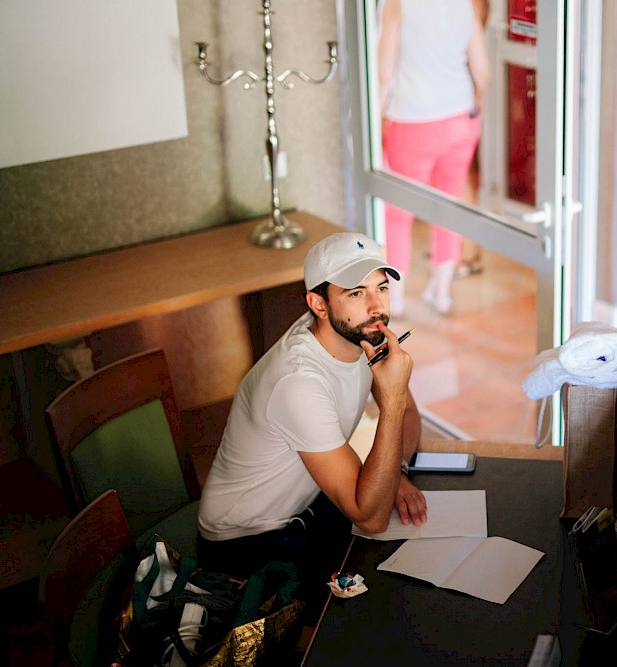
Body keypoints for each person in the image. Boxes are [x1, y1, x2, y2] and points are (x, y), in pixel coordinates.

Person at [197, 233, 428, 576]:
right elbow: (372, 517)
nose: (376, 307)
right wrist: (391, 397)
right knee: (383, 586)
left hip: (306, 508)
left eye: (381, 288)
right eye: (355, 293)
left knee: (408, 555)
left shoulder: (360, 333)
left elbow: (408, 414)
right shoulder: (299, 382)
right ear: (319, 305)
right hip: (245, 546)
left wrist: (396, 473)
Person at [377, 0, 490, 316]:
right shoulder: (465, 4)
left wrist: (374, 121)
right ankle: (441, 293)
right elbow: (482, 69)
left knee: (397, 211)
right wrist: (477, 103)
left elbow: (384, 72)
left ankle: (395, 298)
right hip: (460, 117)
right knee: (448, 204)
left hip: (411, 118)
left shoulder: (396, 4)